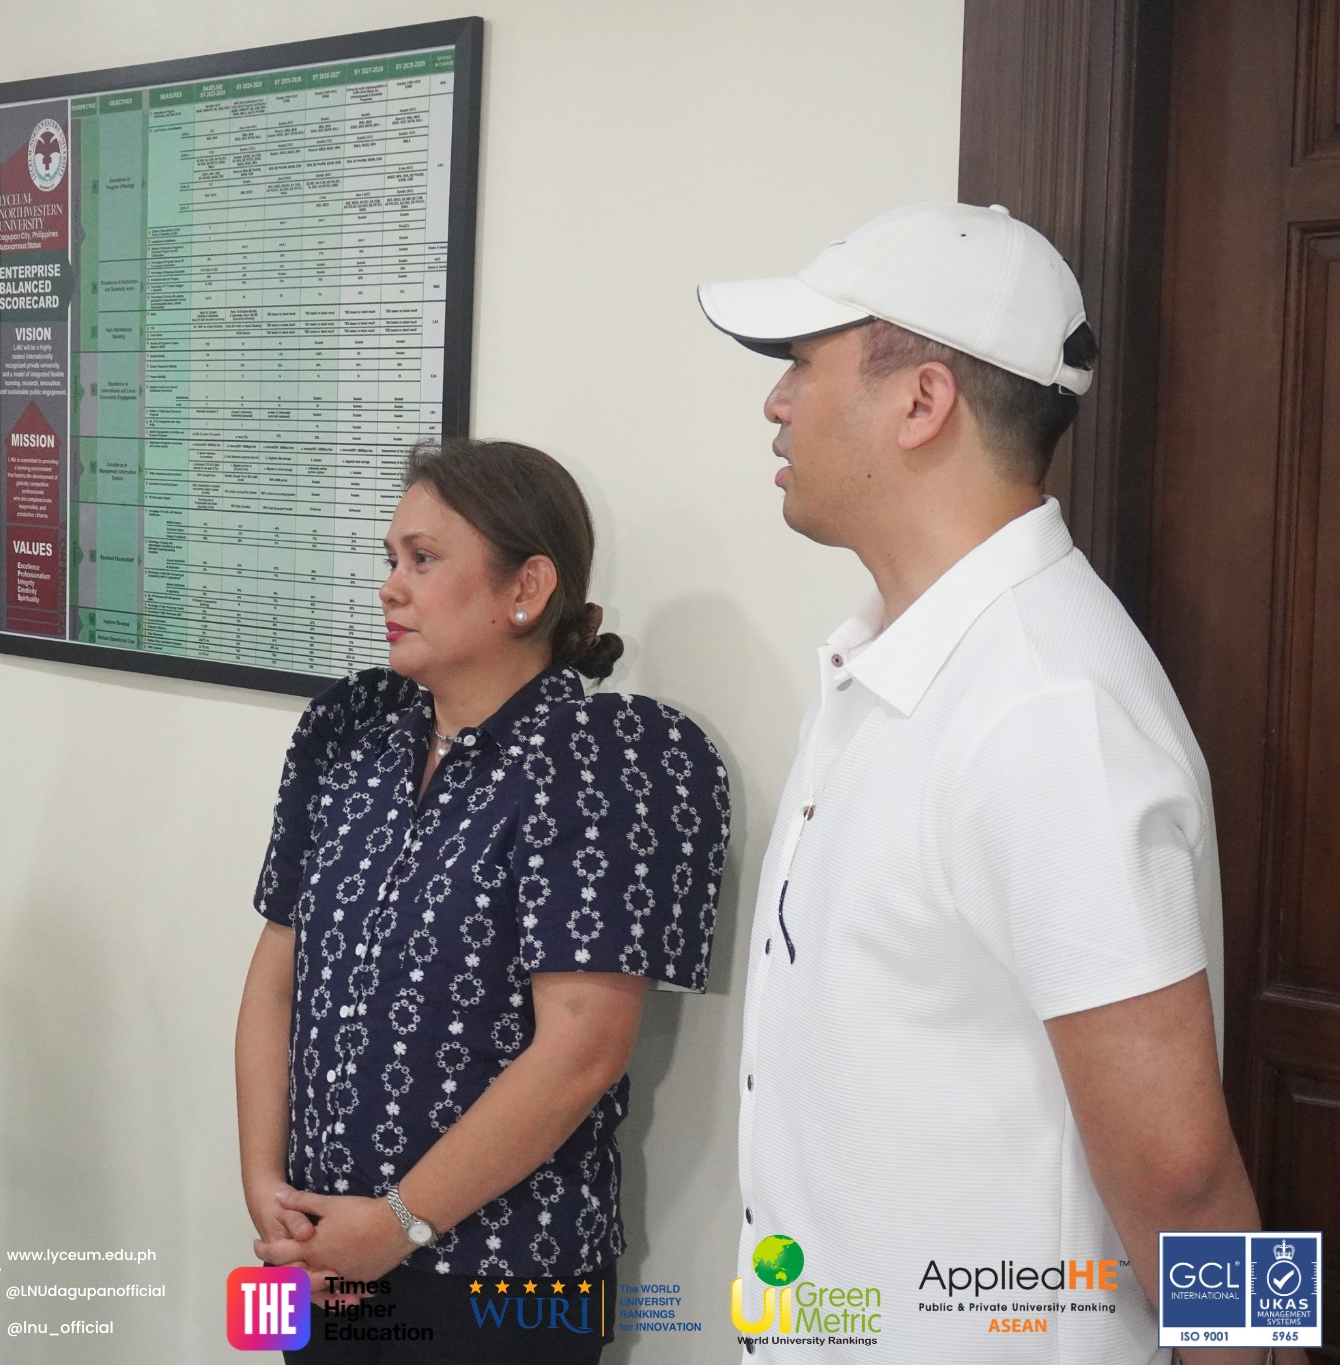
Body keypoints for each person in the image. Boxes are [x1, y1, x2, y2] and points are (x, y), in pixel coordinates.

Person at [699, 203, 1291, 1365]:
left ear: (922, 401)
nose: (774, 401)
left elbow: (1182, 1173)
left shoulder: (1045, 707)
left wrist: (1266, 1349)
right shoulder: (891, 665)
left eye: (803, 363)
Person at [235, 438, 731, 1362]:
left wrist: (396, 1225)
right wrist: (266, 1185)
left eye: (423, 559)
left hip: (500, 1283)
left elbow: (583, 1049)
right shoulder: (349, 734)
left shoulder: (606, 761)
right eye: (391, 558)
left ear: (527, 587)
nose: (390, 587)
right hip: (314, 1247)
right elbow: (276, 977)